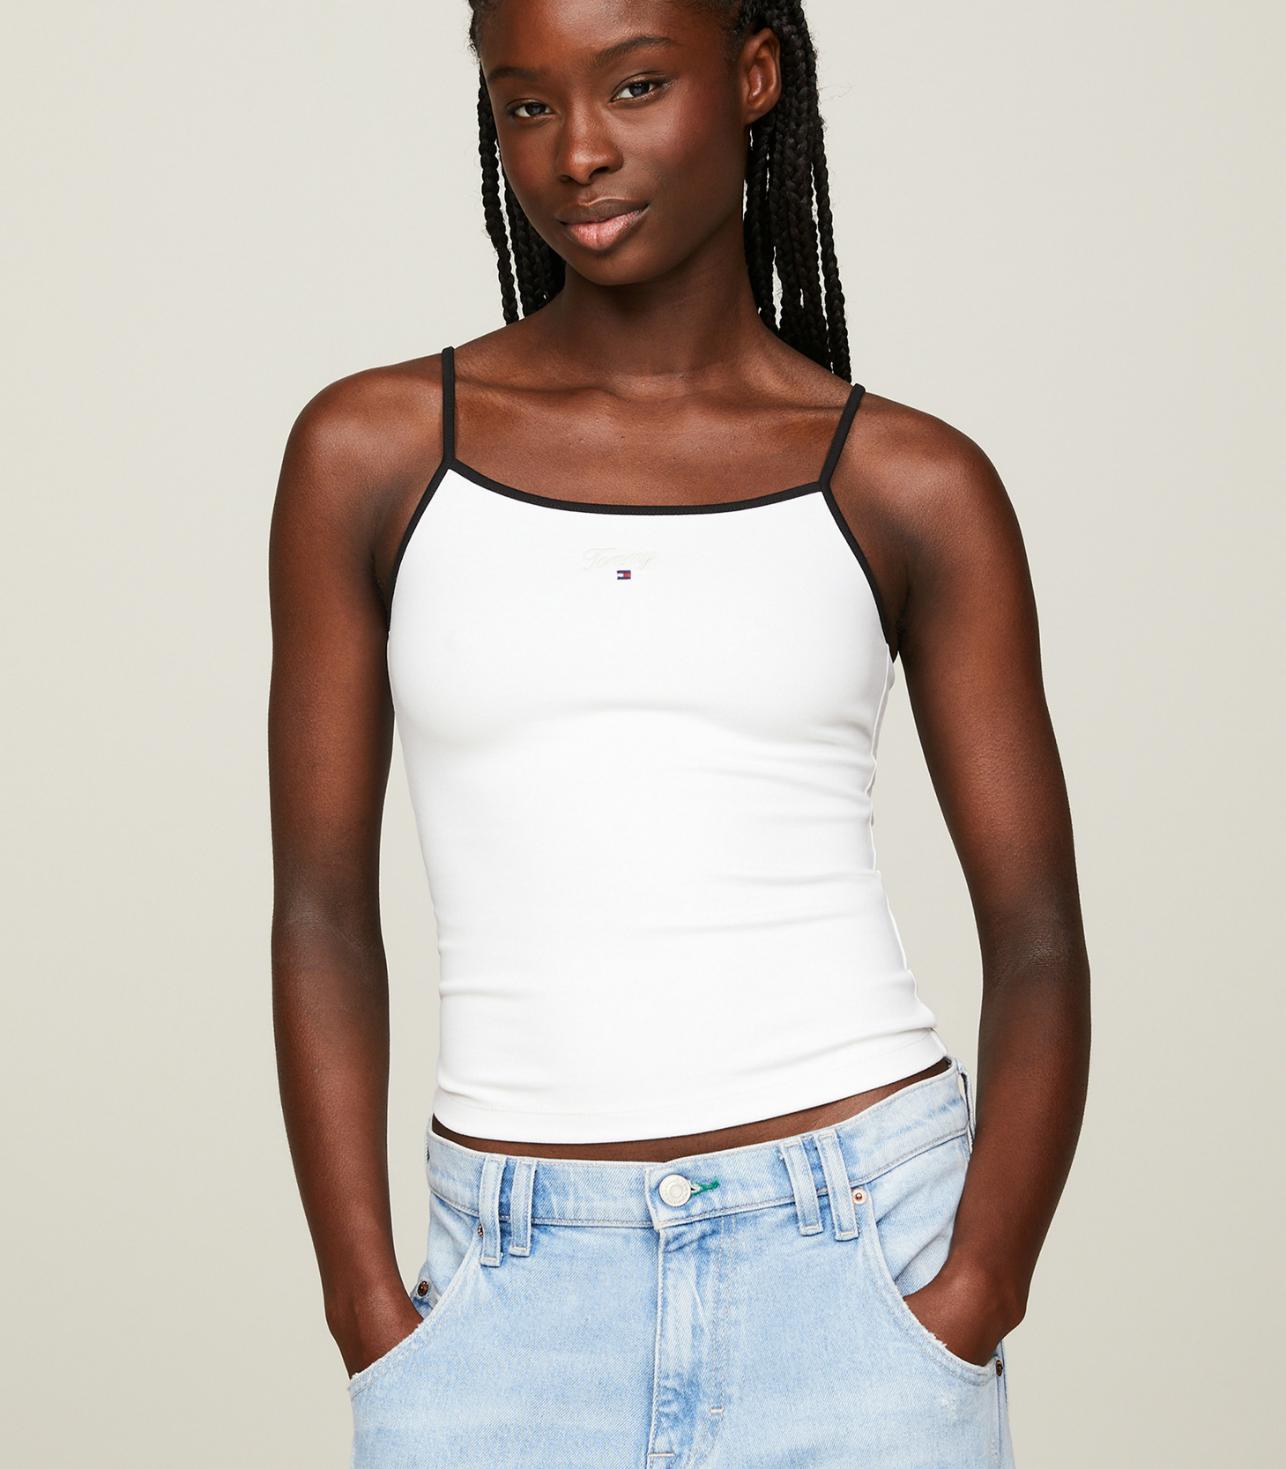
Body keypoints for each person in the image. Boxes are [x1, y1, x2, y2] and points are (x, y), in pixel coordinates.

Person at [268, 2, 1090, 1465]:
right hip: (506, 1296)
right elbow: (321, 914)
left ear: (754, 75)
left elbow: (1036, 935)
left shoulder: (910, 484)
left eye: (636, 87)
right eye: (526, 105)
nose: (577, 152)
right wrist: (367, 1310)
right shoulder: (371, 455)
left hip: (857, 1257)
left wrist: (975, 1291)